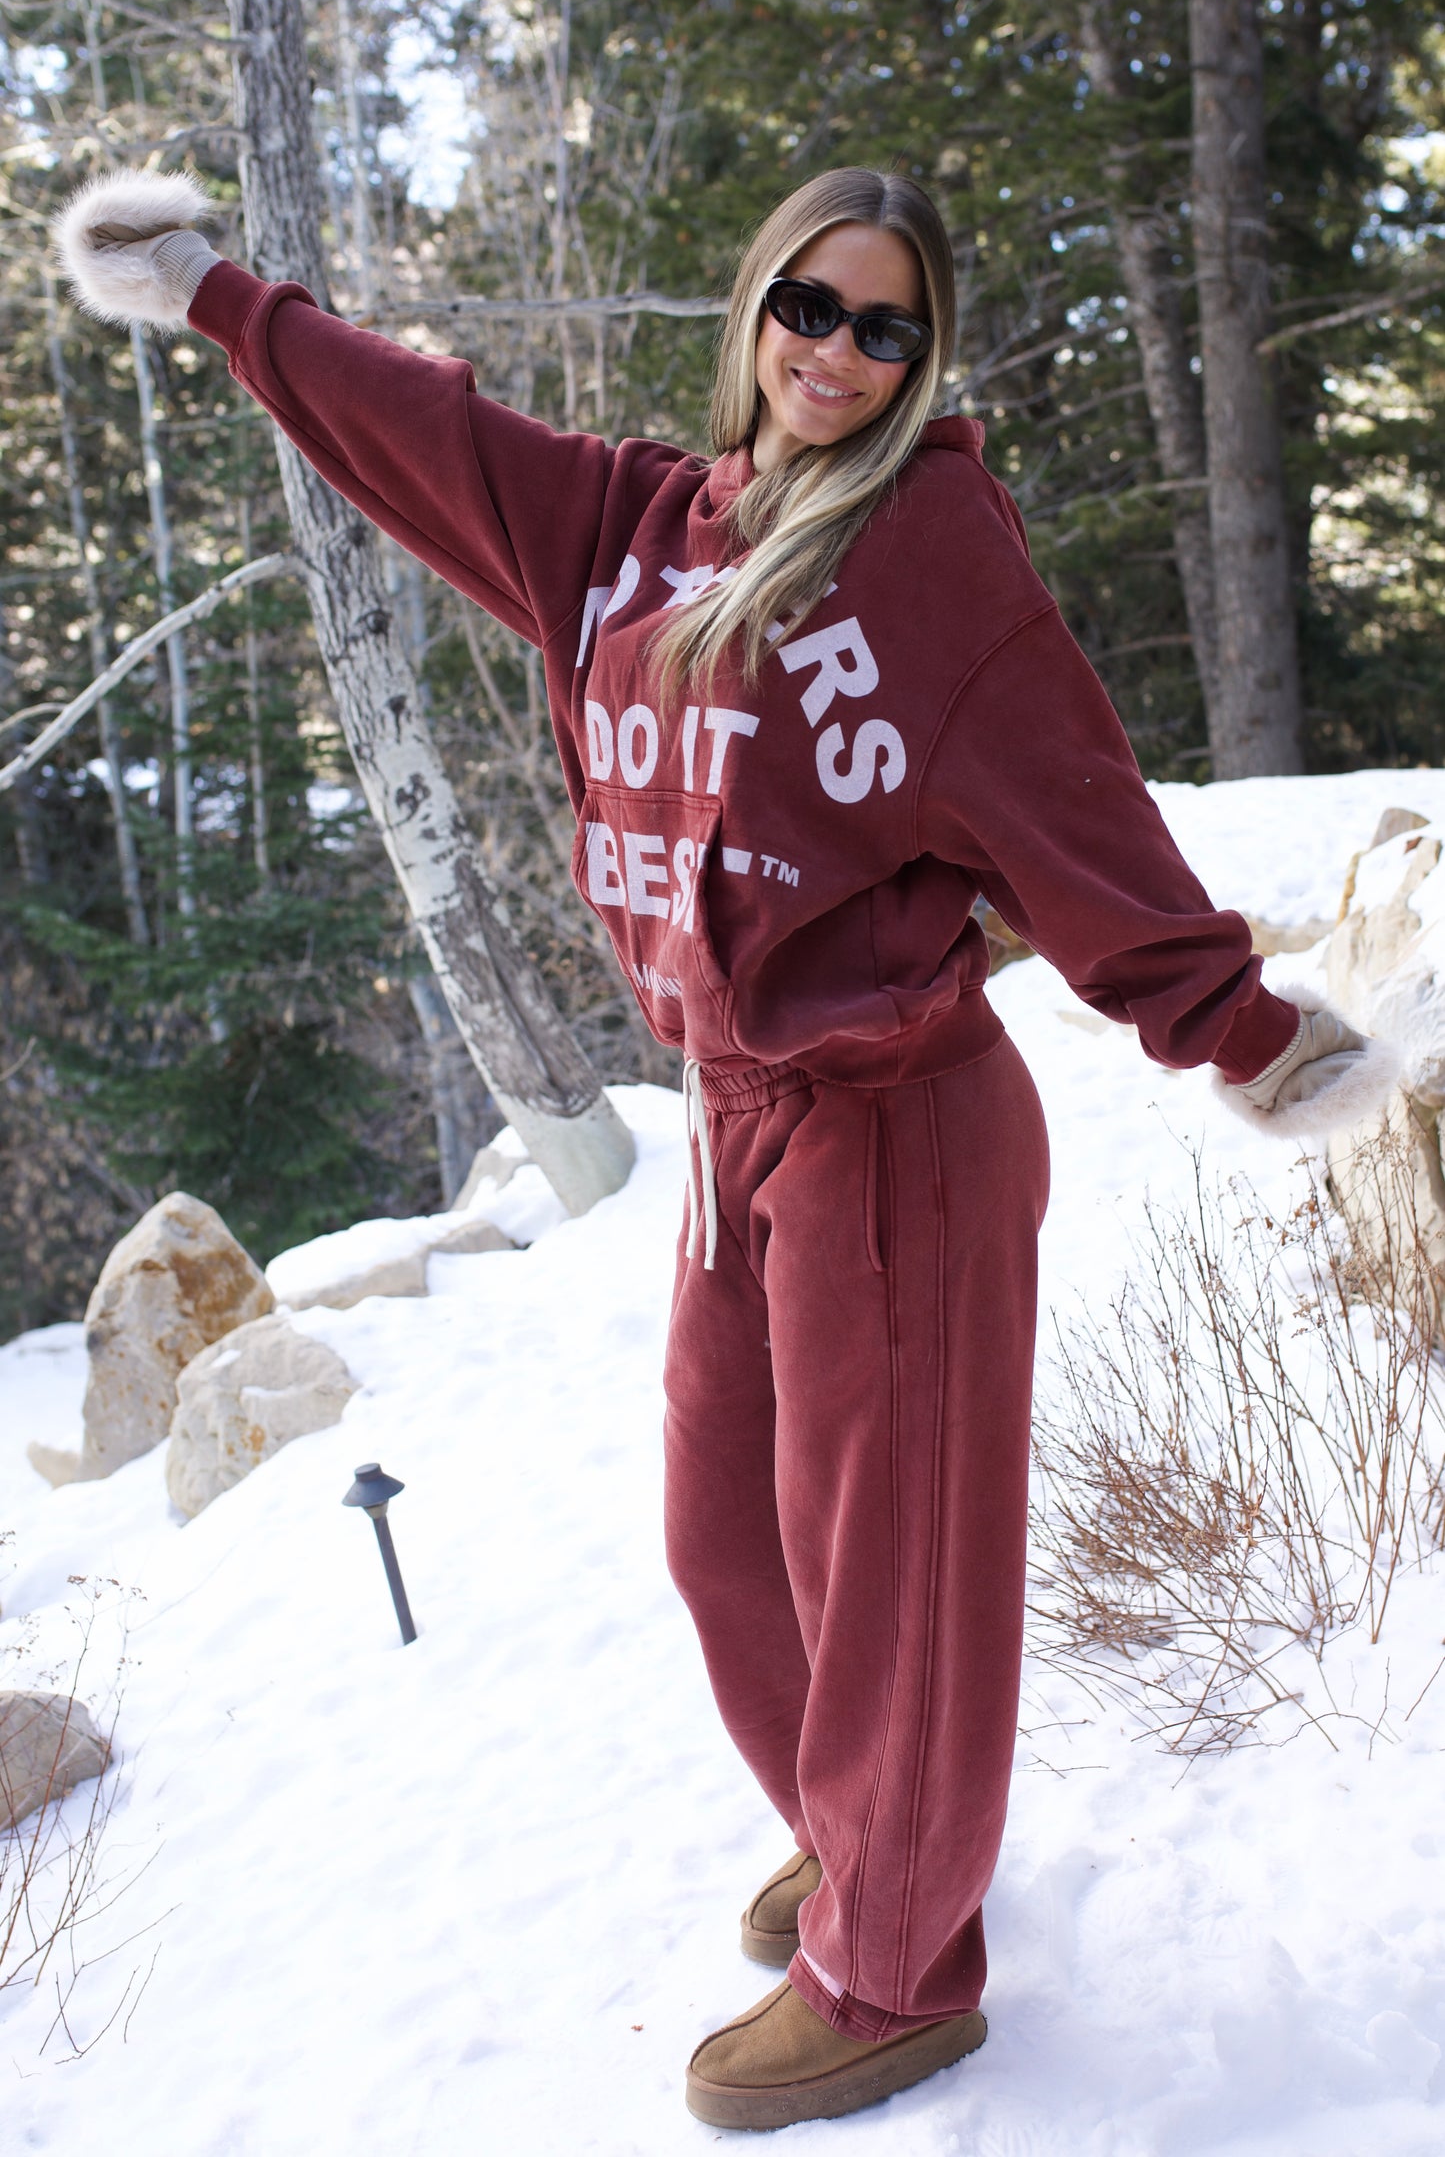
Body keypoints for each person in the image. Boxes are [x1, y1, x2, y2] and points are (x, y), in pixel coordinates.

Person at [57, 163, 1396, 2133]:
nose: (838, 352)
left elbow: (1068, 795)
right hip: (735, 1125)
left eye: (886, 327)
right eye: (810, 306)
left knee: (895, 1576)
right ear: (756, 310)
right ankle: (867, 1837)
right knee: (726, 1532)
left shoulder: (933, 548)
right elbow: (429, 433)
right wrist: (224, 304)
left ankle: (902, 1969)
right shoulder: (634, 530)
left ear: (922, 358)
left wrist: (1236, 1025)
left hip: (896, 1125)